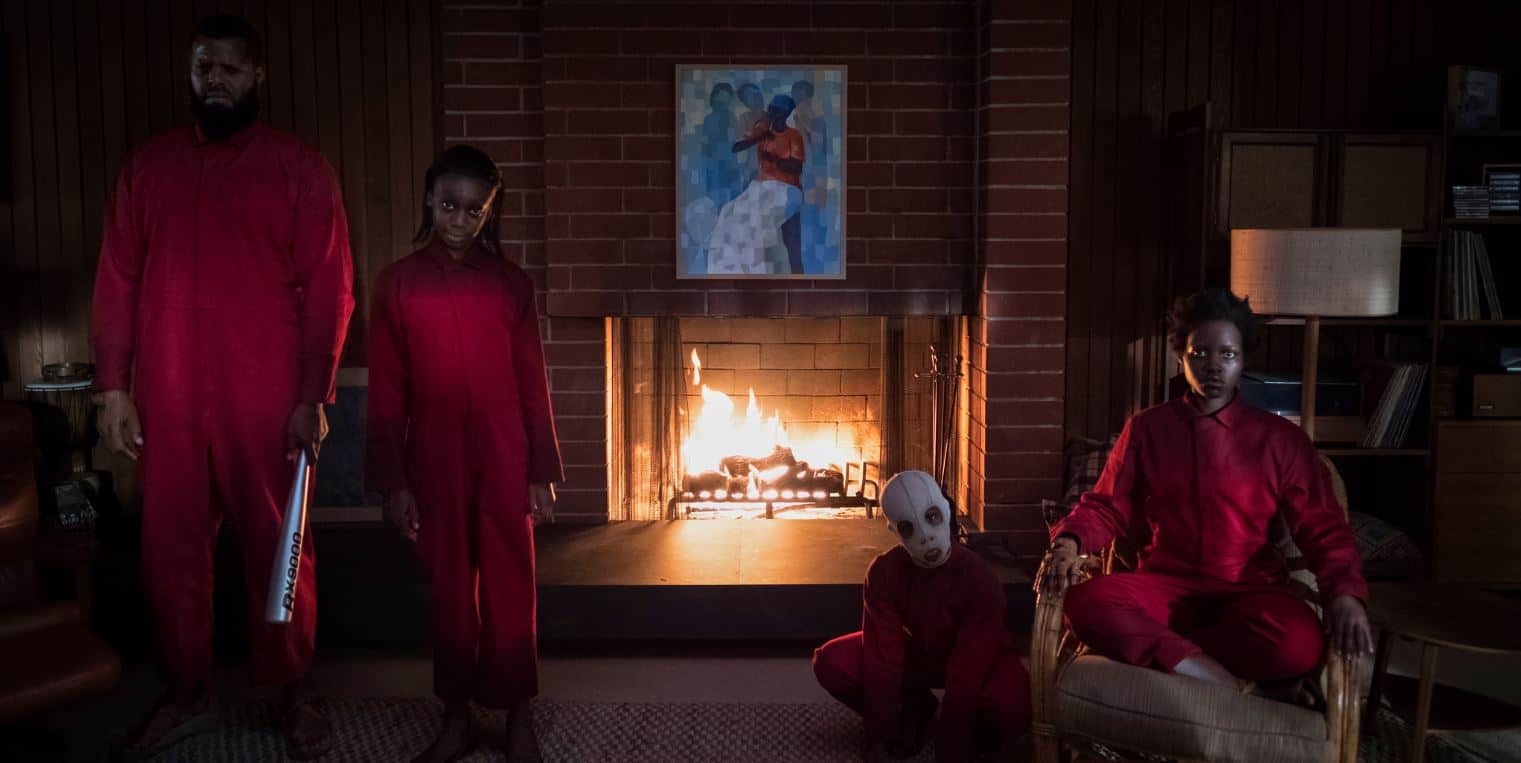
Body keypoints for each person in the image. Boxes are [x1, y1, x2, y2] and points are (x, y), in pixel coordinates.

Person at [91, 15, 353, 760]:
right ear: (190, 72)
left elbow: (333, 288)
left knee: (282, 547)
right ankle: (187, 688)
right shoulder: (147, 170)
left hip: (267, 398)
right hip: (167, 393)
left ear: (255, 76)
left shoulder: (299, 170)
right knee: (169, 550)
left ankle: (292, 688)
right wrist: (112, 387)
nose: (214, 80)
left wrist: (315, 394)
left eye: (229, 69)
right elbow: (116, 281)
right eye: (203, 67)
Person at [1037, 289, 1374, 699]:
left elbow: (1324, 528)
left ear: (1243, 359)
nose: (1213, 367)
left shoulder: (1281, 440)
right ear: (1181, 357)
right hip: (1164, 588)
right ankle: (1217, 677)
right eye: (1200, 354)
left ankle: (1178, 658)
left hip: (1248, 593)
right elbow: (1107, 507)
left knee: (1298, 642)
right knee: (1086, 603)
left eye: (1227, 355)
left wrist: (1346, 595)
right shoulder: (1147, 428)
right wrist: (1068, 543)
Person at [367, 144, 563, 763]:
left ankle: (518, 713)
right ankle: (454, 713)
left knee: (512, 583)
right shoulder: (397, 284)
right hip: (434, 455)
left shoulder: (512, 285)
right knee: (451, 588)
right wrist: (393, 481)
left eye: (473, 210)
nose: (459, 219)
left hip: (504, 450)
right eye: (449, 205)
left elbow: (534, 380)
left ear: (490, 211)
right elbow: (387, 391)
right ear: (430, 199)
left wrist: (541, 470)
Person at [814, 471, 1031, 763]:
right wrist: (881, 732)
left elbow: (971, 662)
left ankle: (978, 727)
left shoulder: (979, 577)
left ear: (945, 510)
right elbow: (882, 654)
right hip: (918, 656)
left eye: (932, 518)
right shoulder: (884, 573)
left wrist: (953, 742)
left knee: (1016, 704)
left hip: (982, 660)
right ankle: (914, 707)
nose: (925, 537)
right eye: (908, 528)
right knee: (831, 662)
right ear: (894, 531)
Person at [705, 94, 806, 275]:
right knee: (728, 211)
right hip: (760, 186)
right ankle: (729, 270)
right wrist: (758, 137)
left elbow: (796, 167)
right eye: (771, 109)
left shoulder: (793, 136)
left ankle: (758, 270)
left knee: (755, 220)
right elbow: (736, 147)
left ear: (785, 114)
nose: (771, 113)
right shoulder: (762, 129)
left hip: (787, 189)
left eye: (776, 111)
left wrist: (773, 159)